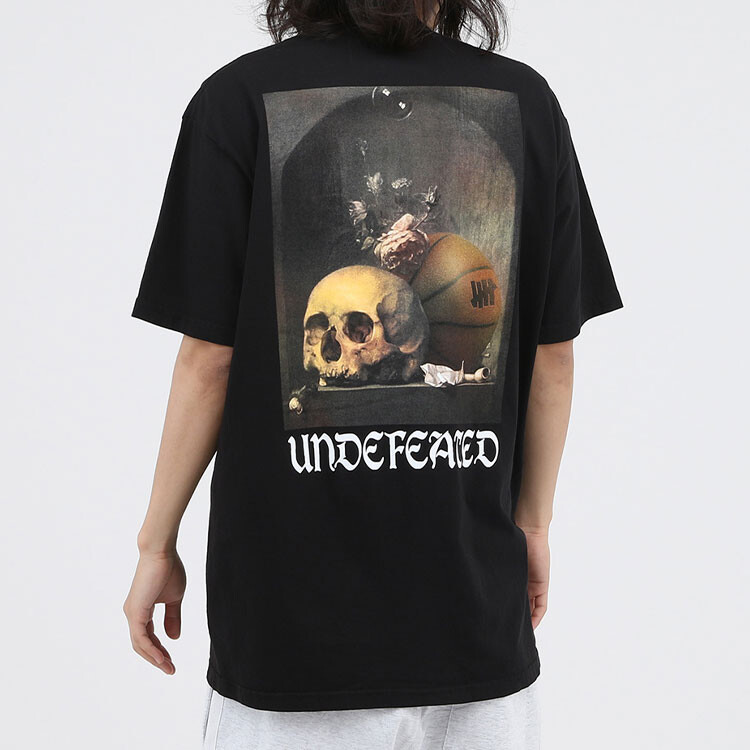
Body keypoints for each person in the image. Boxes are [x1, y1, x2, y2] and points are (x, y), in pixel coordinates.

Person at [123, 0, 622, 747]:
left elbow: (209, 362)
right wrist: (533, 527)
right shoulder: (527, 102)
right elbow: (554, 357)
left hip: (289, 630)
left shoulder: (236, 99)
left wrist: (155, 546)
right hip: (471, 614)